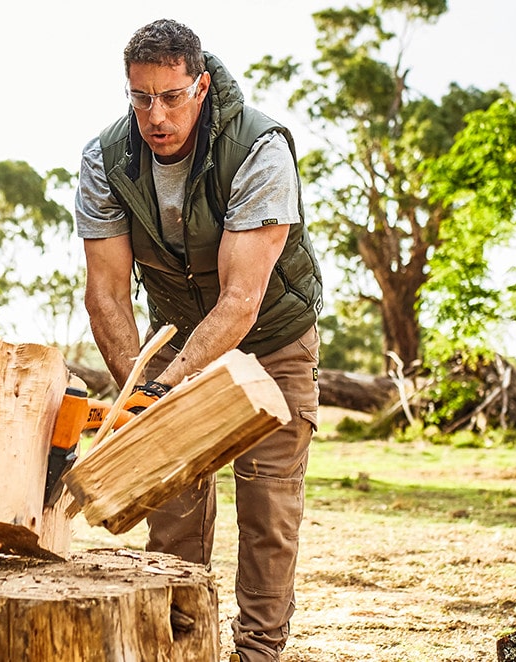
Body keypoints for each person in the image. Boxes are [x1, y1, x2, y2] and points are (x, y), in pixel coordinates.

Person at [74, 18, 323, 662]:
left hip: (272, 338)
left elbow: (241, 302)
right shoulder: (105, 159)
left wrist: (168, 381)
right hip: (179, 334)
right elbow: (105, 292)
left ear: (201, 85)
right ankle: (176, 646)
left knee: (267, 507)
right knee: (172, 501)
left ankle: (258, 652)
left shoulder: (260, 146)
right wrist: (139, 393)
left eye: (171, 96)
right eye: (140, 97)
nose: (154, 115)